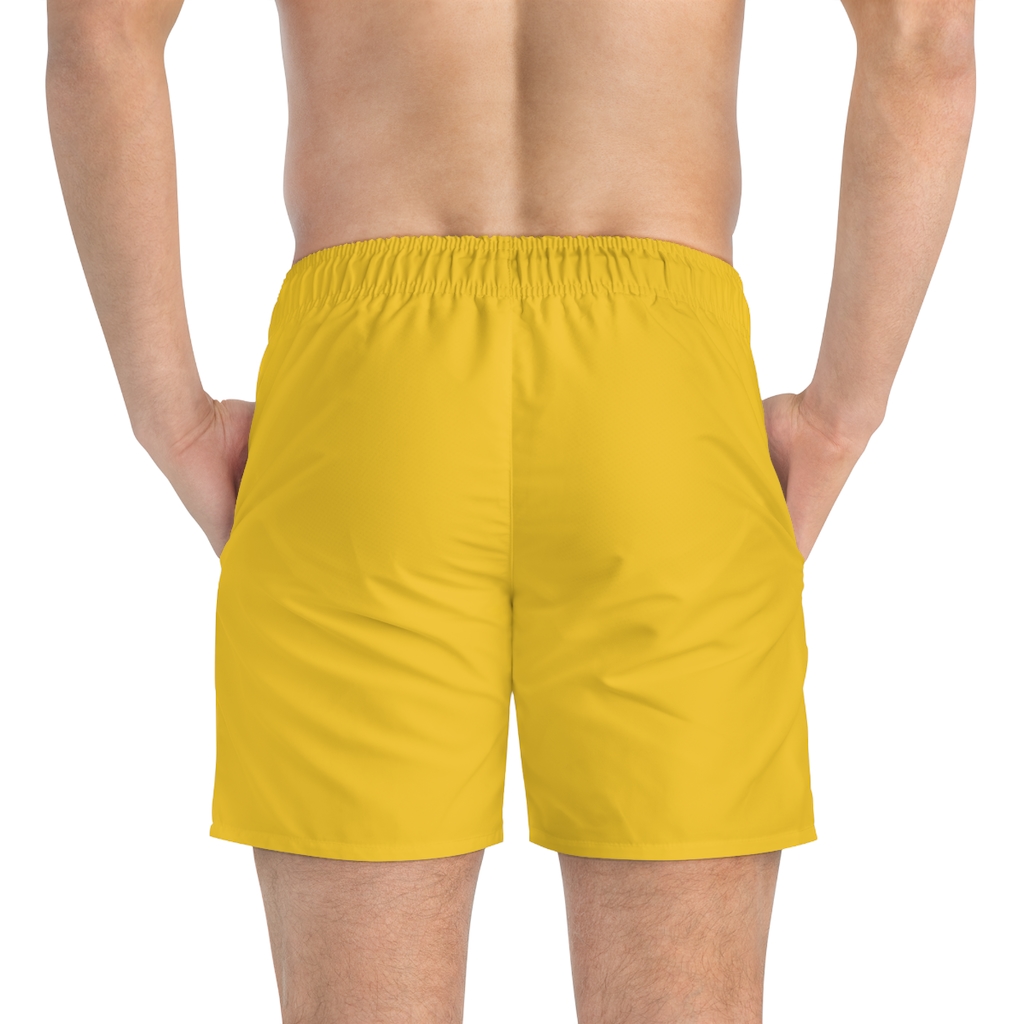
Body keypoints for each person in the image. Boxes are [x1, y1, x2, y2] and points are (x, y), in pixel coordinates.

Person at [45, 1, 975, 1021]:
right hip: (659, 387)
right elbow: (923, 36)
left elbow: (100, 31)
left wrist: (168, 411)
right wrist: (841, 412)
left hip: (369, 393)